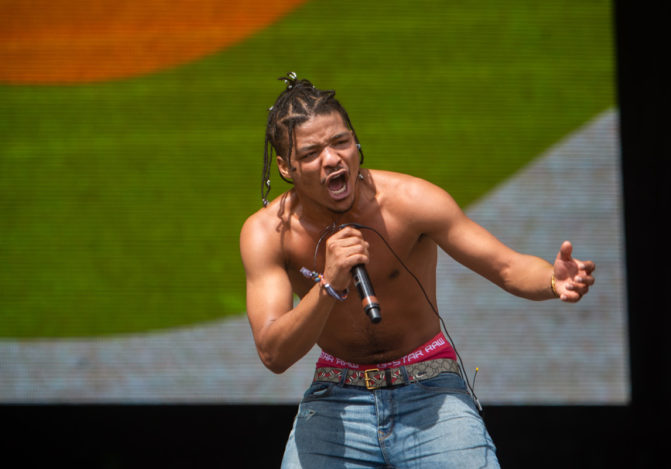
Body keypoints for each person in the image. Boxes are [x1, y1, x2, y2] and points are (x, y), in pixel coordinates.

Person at [240, 72, 595, 468]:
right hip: (337, 395)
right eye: (311, 153)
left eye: (340, 142)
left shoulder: (411, 201)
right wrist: (329, 284)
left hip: (430, 386)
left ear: (356, 142)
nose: (332, 159)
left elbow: (506, 266)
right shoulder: (268, 233)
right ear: (286, 167)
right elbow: (273, 352)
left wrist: (552, 280)